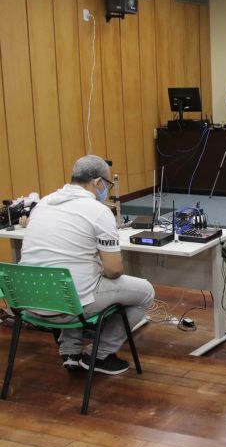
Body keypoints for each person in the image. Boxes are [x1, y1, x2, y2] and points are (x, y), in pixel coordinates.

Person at [20, 155, 155, 375]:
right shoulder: (99, 212)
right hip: (69, 305)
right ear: (97, 182)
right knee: (145, 292)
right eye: (108, 184)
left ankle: (70, 352)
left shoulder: (43, 203)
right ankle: (98, 354)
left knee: (73, 278)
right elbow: (113, 270)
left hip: (30, 299)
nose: (107, 190)